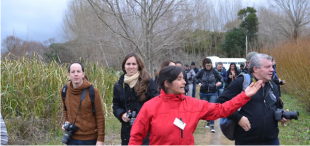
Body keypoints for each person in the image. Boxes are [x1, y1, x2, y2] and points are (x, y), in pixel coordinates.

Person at [128, 66, 263, 145]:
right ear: (166, 83)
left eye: (184, 78)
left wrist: (244, 96)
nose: (184, 82)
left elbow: (221, 109)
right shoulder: (150, 107)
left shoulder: (193, 104)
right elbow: (136, 137)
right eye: (179, 79)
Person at [217, 53, 290, 145]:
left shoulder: (273, 85)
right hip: (246, 141)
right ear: (255, 69)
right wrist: (238, 117)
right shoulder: (242, 82)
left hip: (272, 140)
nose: (272, 70)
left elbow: (277, 107)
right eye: (267, 67)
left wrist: (282, 115)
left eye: (272, 66)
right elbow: (221, 103)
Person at [112, 52, 158, 145]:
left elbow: (156, 103)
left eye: (134, 64)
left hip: (146, 131)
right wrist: (122, 115)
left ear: (139, 66)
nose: (131, 67)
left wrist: (143, 116)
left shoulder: (148, 82)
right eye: (128, 64)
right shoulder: (118, 85)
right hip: (127, 132)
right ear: (124, 66)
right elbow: (116, 106)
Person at [61, 62, 105, 145]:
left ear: (83, 74)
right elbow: (65, 109)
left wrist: (100, 140)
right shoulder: (64, 90)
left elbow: (100, 117)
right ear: (69, 75)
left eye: (78, 71)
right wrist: (65, 122)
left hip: (90, 139)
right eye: (73, 72)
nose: (76, 74)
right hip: (71, 138)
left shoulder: (93, 92)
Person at [194, 58, 223, 133]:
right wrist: (198, 83)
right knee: (206, 108)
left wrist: (219, 83)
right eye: (207, 65)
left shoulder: (214, 71)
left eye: (210, 65)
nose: (208, 67)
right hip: (203, 93)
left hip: (213, 92)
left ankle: (212, 126)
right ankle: (208, 122)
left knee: (212, 108)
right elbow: (194, 78)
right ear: (204, 65)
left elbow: (221, 79)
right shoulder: (202, 71)